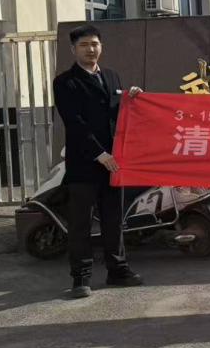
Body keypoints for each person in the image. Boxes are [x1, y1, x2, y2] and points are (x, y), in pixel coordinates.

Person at [52, 24, 144, 298]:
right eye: (84, 45)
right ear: (73, 49)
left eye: (94, 44)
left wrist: (132, 98)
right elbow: (75, 123)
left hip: (114, 163)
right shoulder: (65, 82)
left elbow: (118, 114)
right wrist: (99, 154)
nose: (90, 49)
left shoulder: (112, 77)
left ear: (101, 47)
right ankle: (81, 278)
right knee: (81, 223)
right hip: (85, 164)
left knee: (113, 220)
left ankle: (118, 270)